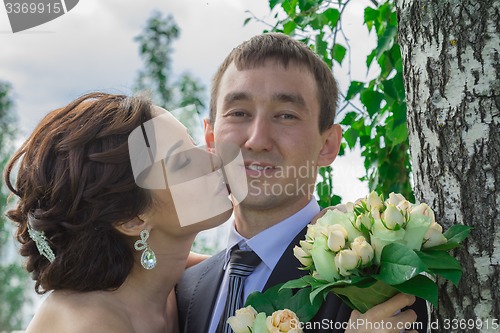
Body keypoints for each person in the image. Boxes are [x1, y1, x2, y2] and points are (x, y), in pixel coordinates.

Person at [176, 33, 429, 333]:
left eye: (286, 115)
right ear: (210, 138)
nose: (257, 140)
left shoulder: (373, 284)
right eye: (239, 113)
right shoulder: (183, 290)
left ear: (328, 144)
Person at [3, 92, 238, 333]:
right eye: (182, 162)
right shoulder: (92, 325)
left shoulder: (163, 270)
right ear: (132, 219)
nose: (213, 161)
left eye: (192, 143)